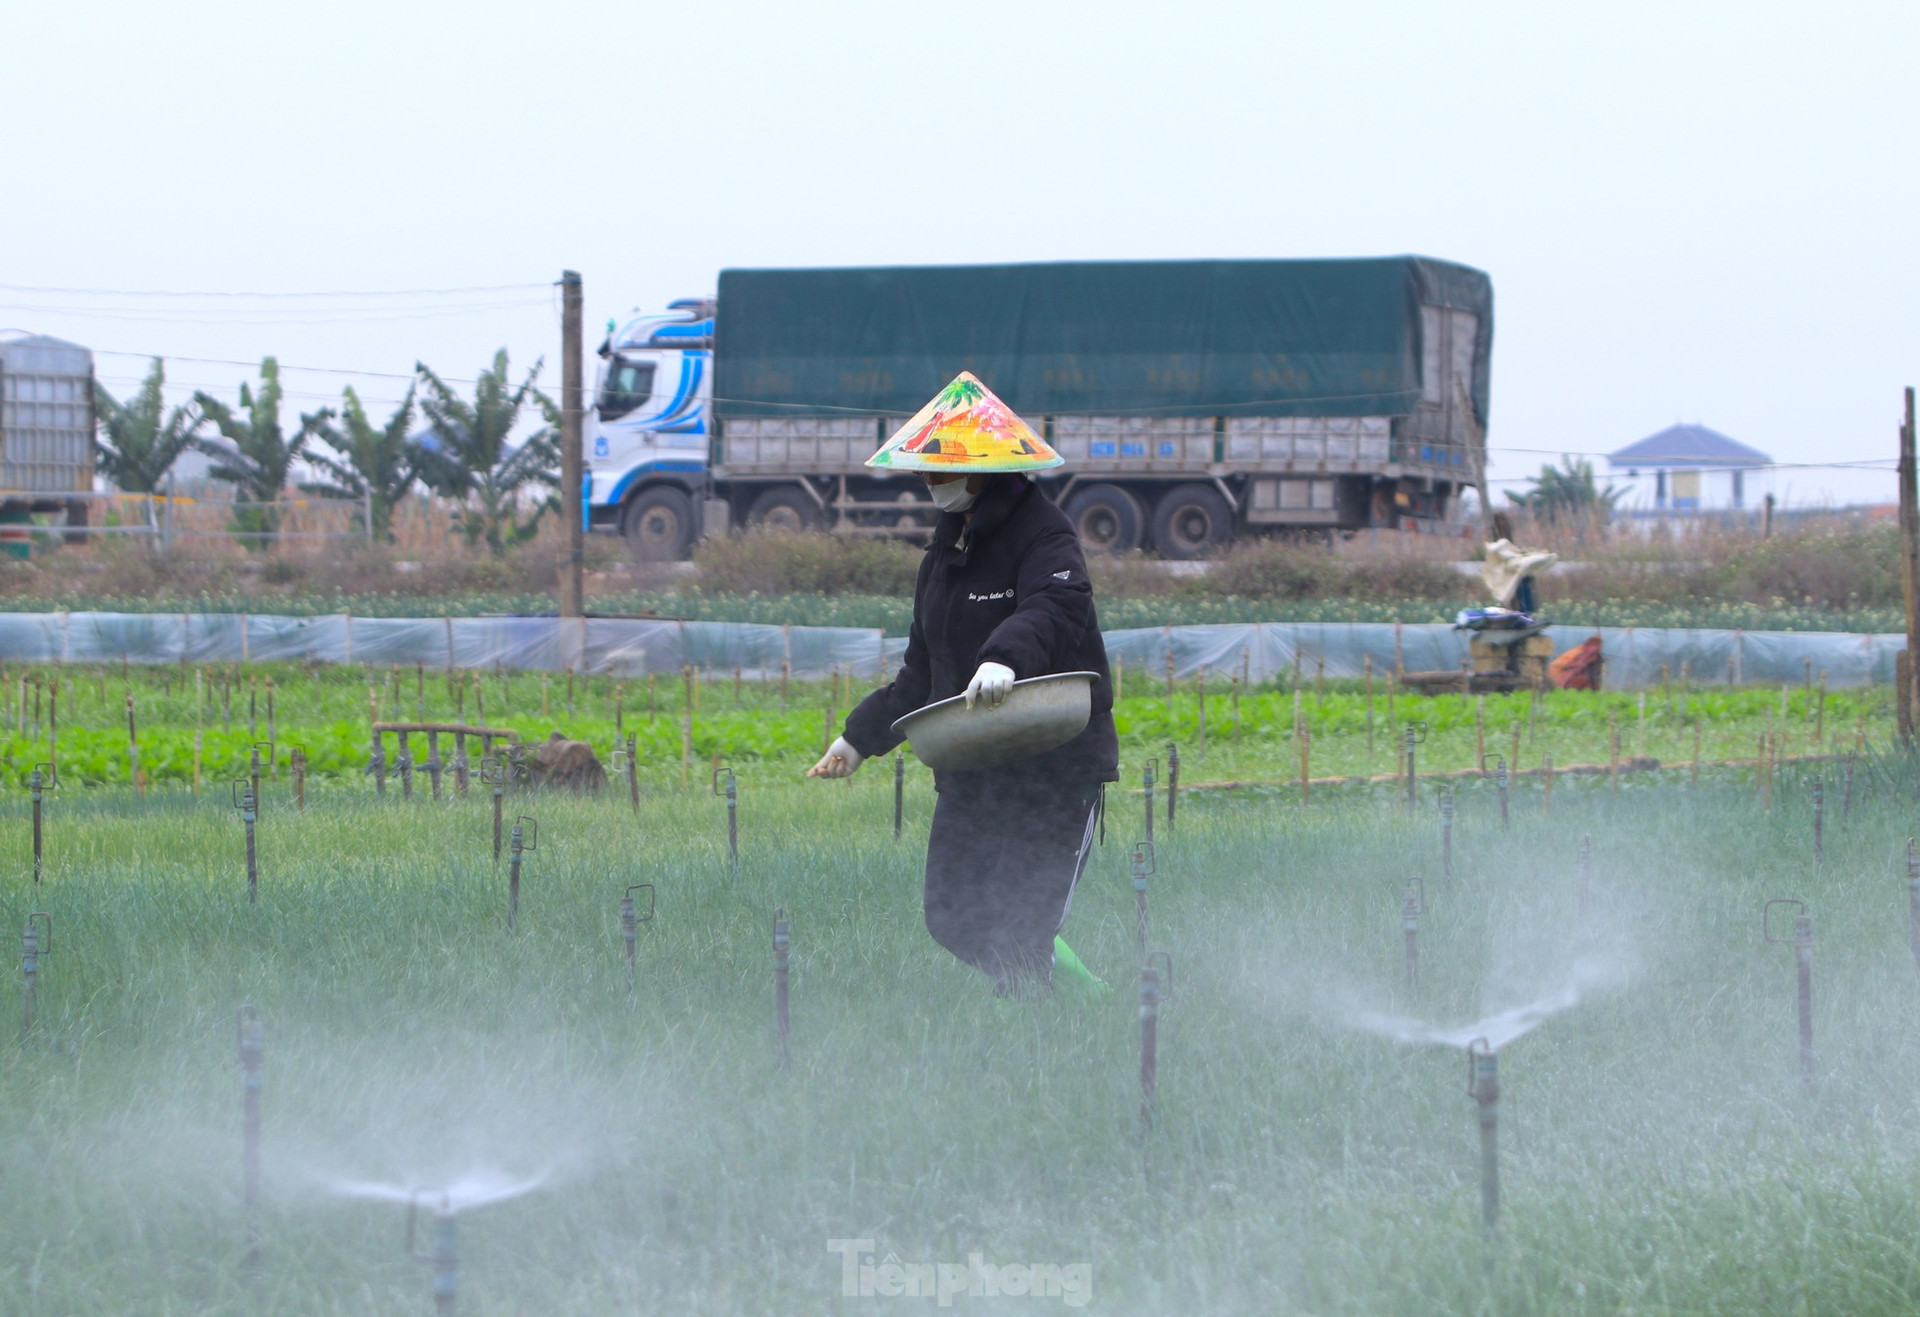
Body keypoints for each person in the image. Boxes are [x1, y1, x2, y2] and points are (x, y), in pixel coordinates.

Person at [807, 373, 1119, 997]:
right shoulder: (943, 555)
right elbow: (922, 672)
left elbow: (1056, 607)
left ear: (988, 466)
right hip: (974, 766)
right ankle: (1072, 995)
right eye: (924, 468)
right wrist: (857, 741)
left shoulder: (1045, 533)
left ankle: (1036, 1032)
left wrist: (1005, 658)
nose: (929, 480)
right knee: (952, 918)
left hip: (1053, 766)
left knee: (1024, 928)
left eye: (941, 467)